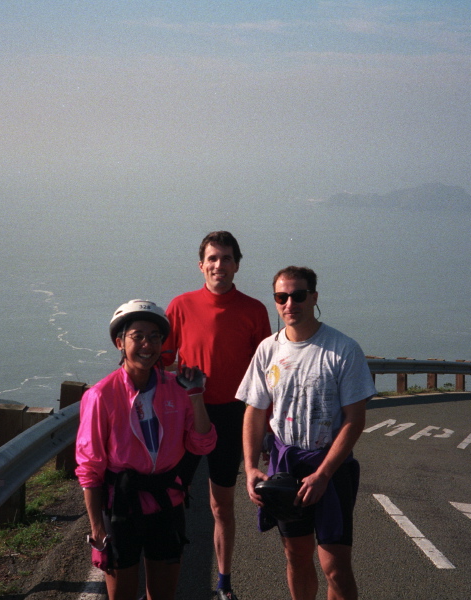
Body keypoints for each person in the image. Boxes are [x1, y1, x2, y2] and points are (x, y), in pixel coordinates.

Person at [238, 266, 376, 600]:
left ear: (314, 298)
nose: (290, 303)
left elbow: (355, 419)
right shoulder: (267, 350)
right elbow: (254, 413)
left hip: (332, 469)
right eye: (281, 297)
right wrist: (251, 468)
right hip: (285, 467)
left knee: (335, 568)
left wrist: (324, 474)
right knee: (296, 555)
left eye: (298, 295)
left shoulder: (342, 349)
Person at [76, 299, 217, 600]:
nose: (147, 344)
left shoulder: (177, 388)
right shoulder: (101, 395)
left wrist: (196, 397)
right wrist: (97, 528)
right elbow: (90, 466)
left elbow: (203, 443)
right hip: (121, 508)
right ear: (119, 343)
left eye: (155, 337)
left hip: (166, 504)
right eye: (137, 336)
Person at [162, 231, 271, 600]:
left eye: (226, 258)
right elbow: (160, 361)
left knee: (221, 504)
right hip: (187, 414)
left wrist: (268, 424)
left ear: (237, 265)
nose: (219, 265)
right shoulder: (180, 306)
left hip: (232, 416)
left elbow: (266, 371)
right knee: (172, 497)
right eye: (212, 258)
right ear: (201, 265)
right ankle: (166, 580)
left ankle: (224, 584)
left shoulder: (254, 310)